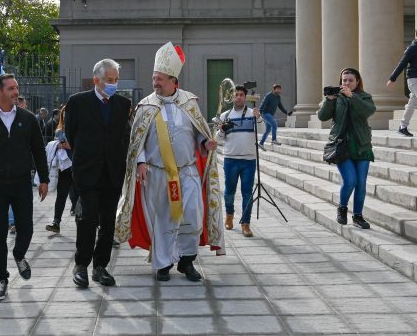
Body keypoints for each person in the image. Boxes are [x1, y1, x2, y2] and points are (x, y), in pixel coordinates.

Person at [115, 43, 226, 283]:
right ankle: (163, 263)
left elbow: (199, 134)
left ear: (173, 79)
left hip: (187, 173)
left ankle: (187, 261)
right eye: (154, 78)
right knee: (164, 220)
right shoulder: (146, 106)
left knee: (192, 216)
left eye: (160, 79)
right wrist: (141, 162)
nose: (155, 82)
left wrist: (206, 145)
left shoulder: (190, 102)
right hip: (158, 174)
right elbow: (137, 142)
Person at [0, 74, 49, 301]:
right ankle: (1, 280)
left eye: (16, 88)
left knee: (27, 229)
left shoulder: (28, 119)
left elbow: (38, 150)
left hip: (22, 182)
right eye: (11, 88)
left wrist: (44, 179)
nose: (16, 92)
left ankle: (19, 254)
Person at [65, 59, 131, 288]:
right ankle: (81, 265)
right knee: (88, 218)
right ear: (96, 80)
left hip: (112, 172)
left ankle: (100, 266)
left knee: (108, 222)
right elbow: (71, 135)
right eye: (109, 80)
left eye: (116, 80)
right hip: (87, 171)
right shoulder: (78, 102)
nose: (113, 84)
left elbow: (125, 136)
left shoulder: (123, 104)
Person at [319, 68, 376, 229]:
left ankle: (358, 216)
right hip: (342, 146)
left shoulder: (364, 97)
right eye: (344, 80)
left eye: (350, 80)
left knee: (361, 184)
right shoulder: (336, 98)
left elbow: (369, 111)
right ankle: (342, 208)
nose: (346, 83)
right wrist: (329, 100)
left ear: (357, 82)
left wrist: (352, 97)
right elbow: (322, 116)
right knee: (350, 181)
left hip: (362, 145)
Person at [216, 85, 262, 237]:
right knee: (229, 193)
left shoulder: (252, 113)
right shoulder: (225, 115)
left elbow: (262, 132)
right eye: (236, 95)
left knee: (247, 193)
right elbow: (218, 139)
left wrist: (259, 118)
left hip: (249, 161)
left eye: (242, 94)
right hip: (231, 160)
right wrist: (221, 130)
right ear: (232, 97)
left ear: (245, 97)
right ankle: (229, 215)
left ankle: (245, 224)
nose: (239, 97)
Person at [45, 105, 77, 234]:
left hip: (80, 167)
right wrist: (61, 145)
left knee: (83, 195)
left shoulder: (80, 128)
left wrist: (71, 145)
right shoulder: (60, 130)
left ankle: (94, 223)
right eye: (64, 114)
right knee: (62, 194)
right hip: (65, 167)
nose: (66, 116)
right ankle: (56, 222)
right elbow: (59, 145)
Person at [258, 84, 292, 149]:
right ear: (274, 89)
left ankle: (261, 143)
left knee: (268, 130)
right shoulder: (268, 95)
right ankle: (274, 140)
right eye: (277, 89)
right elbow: (263, 103)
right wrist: (260, 112)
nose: (279, 90)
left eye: (280, 89)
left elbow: (280, 106)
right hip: (265, 113)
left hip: (270, 114)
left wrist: (287, 113)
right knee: (274, 124)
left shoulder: (278, 97)